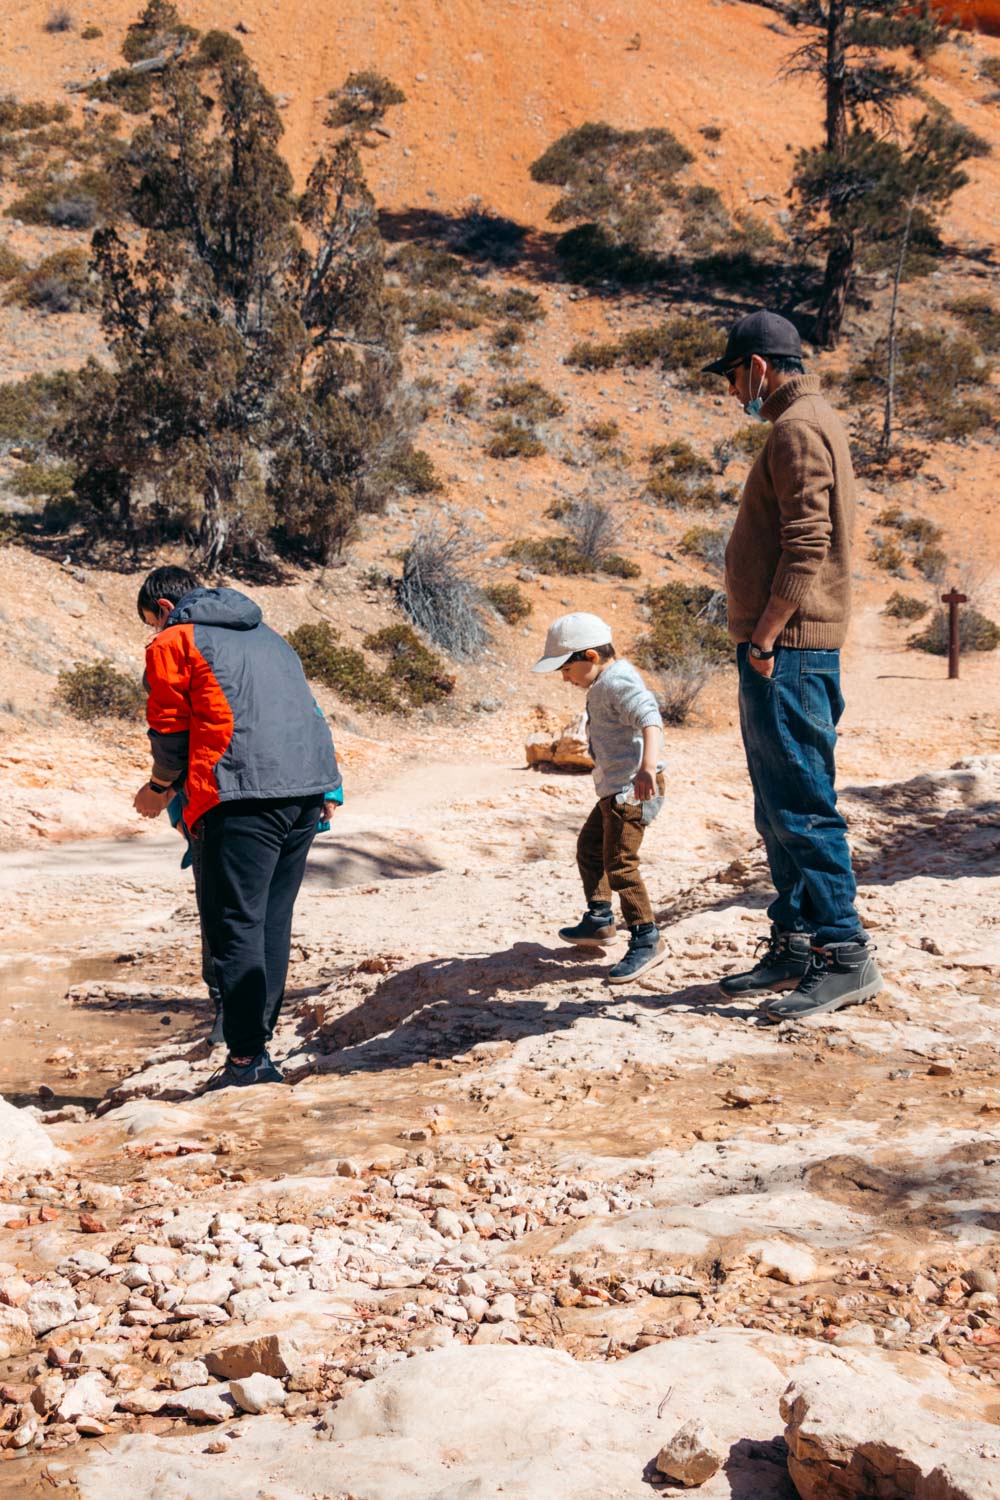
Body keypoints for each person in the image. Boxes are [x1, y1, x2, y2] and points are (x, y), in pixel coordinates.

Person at [702, 309, 882, 1020]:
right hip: (789, 647)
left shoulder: (794, 429)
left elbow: (807, 547)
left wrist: (767, 637)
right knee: (778, 805)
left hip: (791, 650)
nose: (730, 391)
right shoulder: (808, 420)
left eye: (732, 376)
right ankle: (797, 940)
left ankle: (845, 955)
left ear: (759, 369)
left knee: (802, 806)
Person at [133, 565, 342, 1089]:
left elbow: (170, 733)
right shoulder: (269, 638)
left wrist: (158, 789)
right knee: (271, 918)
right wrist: (329, 786)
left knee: (236, 924)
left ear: (162, 611)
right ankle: (258, 1046)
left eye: (150, 623)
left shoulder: (174, 642)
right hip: (305, 790)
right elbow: (309, 712)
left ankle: (246, 1060)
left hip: (241, 793)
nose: (153, 635)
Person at [532, 612, 667, 984]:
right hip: (616, 788)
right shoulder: (604, 682)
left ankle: (646, 939)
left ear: (590, 657)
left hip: (635, 788)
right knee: (591, 848)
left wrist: (648, 768)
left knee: (620, 863)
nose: (563, 677)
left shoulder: (617, 682)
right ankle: (600, 920)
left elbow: (650, 719)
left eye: (566, 667)